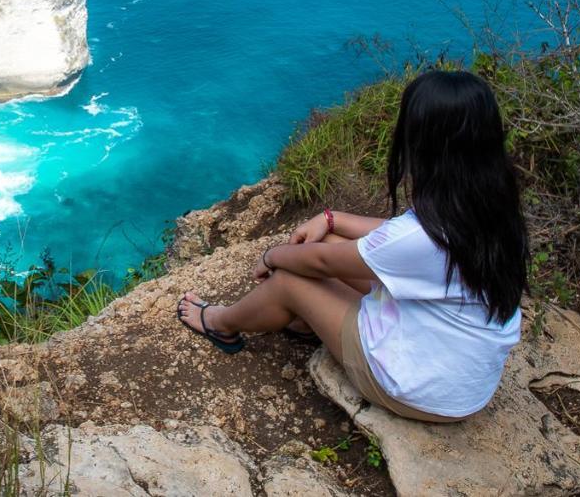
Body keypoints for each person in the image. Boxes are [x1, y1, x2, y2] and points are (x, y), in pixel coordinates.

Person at [176, 70, 529, 422]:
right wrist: (332, 220)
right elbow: (398, 236)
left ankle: (221, 323)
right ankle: (305, 323)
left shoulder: (423, 237)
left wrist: (271, 256)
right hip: (457, 374)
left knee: (290, 279)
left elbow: (325, 263)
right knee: (327, 242)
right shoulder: (491, 205)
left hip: (418, 389)